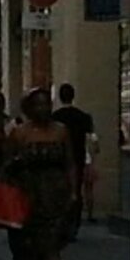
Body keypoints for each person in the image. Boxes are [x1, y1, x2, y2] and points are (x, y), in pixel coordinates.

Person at [6, 88, 76, 260]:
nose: (42, 109)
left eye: (46, 104)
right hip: (27, 195)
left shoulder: (61, 131)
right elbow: (7, 166)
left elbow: (69, 162)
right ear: (29, 108)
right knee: (25, 247)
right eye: (37, 104)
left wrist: (73, 191)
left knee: (52, 246)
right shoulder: (19, 133)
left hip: (54, 194)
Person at [53, 83, 94, 240]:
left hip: (59, 159)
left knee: (60, 192)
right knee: (76, 191)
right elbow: (90, 138)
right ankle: (74, 224)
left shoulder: (55, 117)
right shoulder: (83, 117)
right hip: (78, 158)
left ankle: (62, 223)